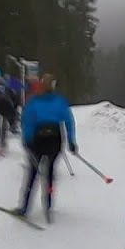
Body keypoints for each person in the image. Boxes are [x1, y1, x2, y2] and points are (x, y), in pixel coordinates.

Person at [17, 74, 77, 221]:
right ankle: (48, 206)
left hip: (38, 140)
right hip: (55, 140)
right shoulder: (60, 101)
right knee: (49, 173)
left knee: (32, 173)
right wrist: (71, 141)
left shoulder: (34, 102)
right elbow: (69, 122)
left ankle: (24, 208)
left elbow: (27, 121)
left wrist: (27, 140)